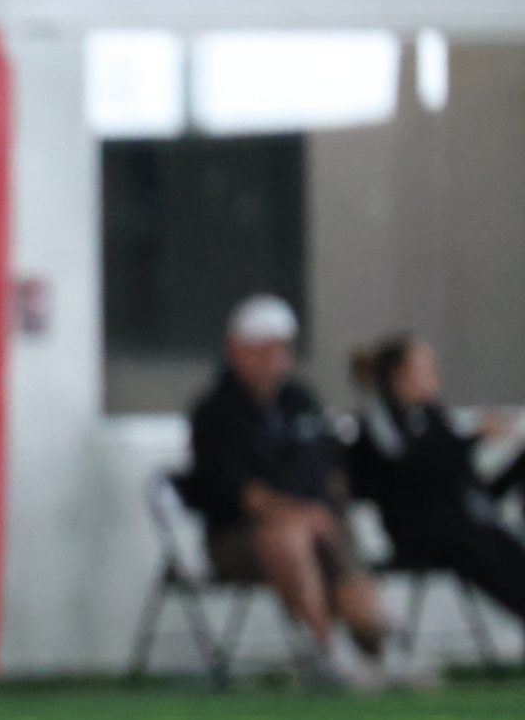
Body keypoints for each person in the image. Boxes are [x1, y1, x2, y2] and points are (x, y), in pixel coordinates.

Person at [187, 295, 406, 691]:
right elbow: (242, 494)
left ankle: (379, 649)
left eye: (281, 350)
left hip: (320, 529)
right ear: (237, 351)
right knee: (288, 537)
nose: (276, 361)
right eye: (265, 350)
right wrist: (301, 516)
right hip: (240, 539)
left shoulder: (300, 401)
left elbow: (329, 471)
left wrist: (323, 513)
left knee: (355, 590)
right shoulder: (215, 413)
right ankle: (325, 651)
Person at [348, 331, 525, 624]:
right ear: (400, 375)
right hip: (421, 531)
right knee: (480, 549)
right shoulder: (380, 418)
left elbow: (460, 476)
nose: (434, 376)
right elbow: (411, 468)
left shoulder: (431, 415)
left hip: (462, 519)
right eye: (426, 368)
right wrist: (472, 438)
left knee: (501, 544)